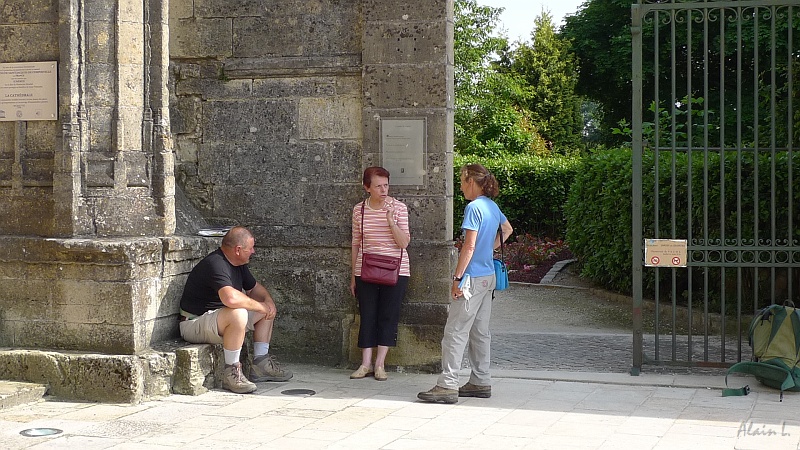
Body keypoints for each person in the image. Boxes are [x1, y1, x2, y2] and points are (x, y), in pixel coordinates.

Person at [418, 164, 513, 404]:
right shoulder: (492, 206)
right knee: (480, 332)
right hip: (488, 276)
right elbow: (507, 229)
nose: (460, 187)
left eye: (461, 181)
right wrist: (487, 249)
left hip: (471, 279)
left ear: (471, 180)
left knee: (455, 332)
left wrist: (457, 278)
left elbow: (468, 246)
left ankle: (447, 385)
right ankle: (481, 381)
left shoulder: (473, 208)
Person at [179, 226, 292, 394]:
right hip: (194, 323)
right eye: (250, 248)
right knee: (238, 312)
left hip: (218, 321)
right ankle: (231, 371)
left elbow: (255, 289)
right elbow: (230, 298)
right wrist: (261, 306)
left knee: (263, 308)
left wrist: (267, 302)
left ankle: (261, 363)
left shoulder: (238, 263)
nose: (253, 252)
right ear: (238, 250)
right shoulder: (215, 263)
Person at [350, 167, 411, 381]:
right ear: (367, 188)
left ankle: (380, 364)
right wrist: (352, 275)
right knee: (367, 314)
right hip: (365, 268)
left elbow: (404, 243)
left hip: (395, 270)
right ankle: (365, 363)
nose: (383, 190)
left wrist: (391, 221)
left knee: (388, 315)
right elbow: (356, 243)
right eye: (378, 186)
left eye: (386, 185)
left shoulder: (399, 208)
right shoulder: (360, 210)